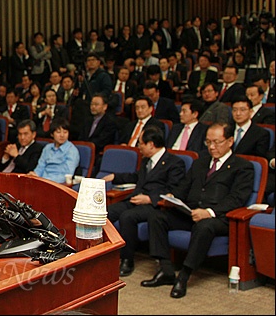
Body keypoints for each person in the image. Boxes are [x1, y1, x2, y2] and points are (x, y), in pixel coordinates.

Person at [141, 122, 254, 298]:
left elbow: (237, 198)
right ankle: (166, 269)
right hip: (191, 212)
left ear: (230, 141)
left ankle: (184, 277)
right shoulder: (200, 162)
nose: (212, 147)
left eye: (217, 142)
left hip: (219, 218)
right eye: (208, 142)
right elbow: (184, 187)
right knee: (157, 216)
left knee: (204, 227)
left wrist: (209, 212)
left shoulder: (242, 167)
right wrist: (172, 197)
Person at [104, 126, 186, 277]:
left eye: (141, 143)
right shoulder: (147, 161)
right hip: (136, 200)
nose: (138, 147)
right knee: (107, 212)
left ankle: (127, 260)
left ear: (151, 144)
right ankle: (104, 254)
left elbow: (174, 190)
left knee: (127, 217)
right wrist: (115, 177)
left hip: (156, 205)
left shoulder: (174, 163)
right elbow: (137, 177)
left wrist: (149, 199)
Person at [29, 118, 79, 184]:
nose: (62, 135)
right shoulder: (47, 148)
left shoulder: (72, 150)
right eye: (58, 132)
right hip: (42, 182)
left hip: (58, 184)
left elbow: (67, 175)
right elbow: (40, 167)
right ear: (52, 134)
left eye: (65, 132)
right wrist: (35, 175)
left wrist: (44, 180)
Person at [78, 93, 118, 175]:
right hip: (84, 151)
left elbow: (102, 141)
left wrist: (87, 147)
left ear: (105, 107)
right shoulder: (87, 120)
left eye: (96, 104)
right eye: (92, 104)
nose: (93, 107)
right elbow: (81, 137)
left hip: (98, 154)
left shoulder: (110, 122)